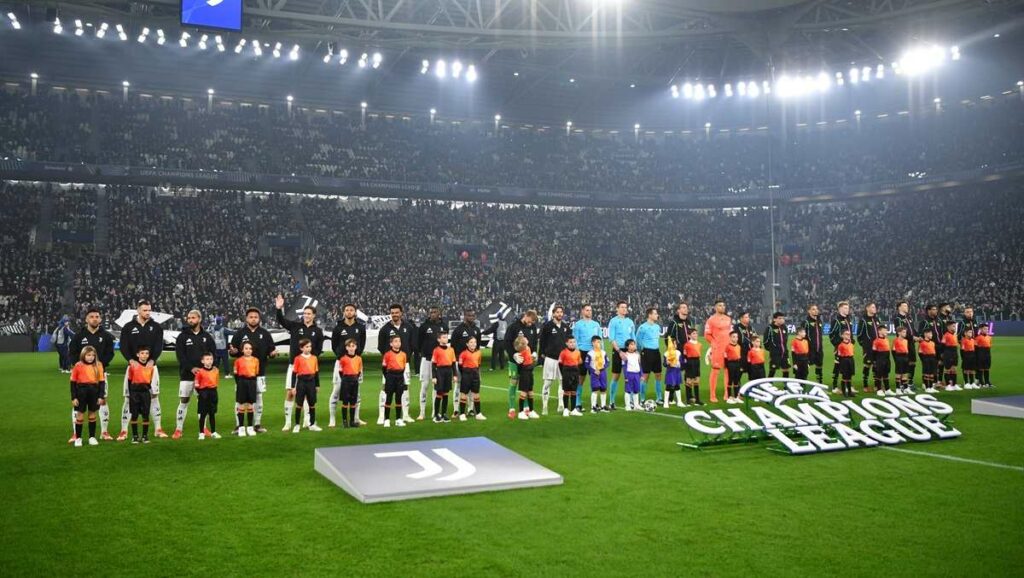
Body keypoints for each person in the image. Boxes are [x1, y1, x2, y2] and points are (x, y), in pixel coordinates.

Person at [275, 294, 326, 431]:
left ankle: (308, 421)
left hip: (309, 368)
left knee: (308, 396)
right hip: (294, 366)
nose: (306, 315)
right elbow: (281, 321)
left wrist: (308, 358)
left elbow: (319, 349)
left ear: (314, 315)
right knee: (291, 393)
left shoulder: (318, 331)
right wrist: (279, 309)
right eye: (304, 313)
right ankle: (288, 422)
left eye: (309, 313)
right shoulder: (295, 326)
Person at [117, 299, 165, 441]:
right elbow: (123, 345)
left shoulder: (156, 327)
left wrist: (152, 360)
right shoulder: (128, 327)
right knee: (128, 398)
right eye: (145, 310)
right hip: (133, 368)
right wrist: (131, 360)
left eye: (149, 310)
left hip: (151, 368)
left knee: (154, 396)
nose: (148, 313)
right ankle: (124, 430)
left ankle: (158, 428)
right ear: (138, 310)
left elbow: (158, 346)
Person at [68, 307, 117, 444]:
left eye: (97, 316)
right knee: (78, 403)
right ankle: (75, 434)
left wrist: (100, 365)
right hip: (82, 378)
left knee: (102, 400)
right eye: (92, 316)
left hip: (99, 375)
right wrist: (79, 366)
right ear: (86, 319)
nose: (94, 319)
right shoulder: (79, 336)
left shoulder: (106, 336)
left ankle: (104, 432)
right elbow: (72, 352)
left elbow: (110, 353)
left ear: (100, 319)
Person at [229, 307, 277, 433]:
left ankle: (257, 424)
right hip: (242, 374)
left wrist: (273, 353)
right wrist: (232, 352)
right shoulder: (239, 333)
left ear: (259, 318)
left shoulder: (265, 333)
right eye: (251, 317)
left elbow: (271, 350)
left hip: (259, 372)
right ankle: (239, 425)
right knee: (240, 399)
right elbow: (233, 351)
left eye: (256, 317)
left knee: (258, 397)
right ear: (246, 319)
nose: (253, 319)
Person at [173, 310, 216, 440]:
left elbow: (213, 354)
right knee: (184, 400)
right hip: (187, 375)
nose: (190, 320)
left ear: (199, 319)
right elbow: (180, 356)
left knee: (203, 402)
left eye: (193, 318)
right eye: (189, 318)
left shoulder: (207, 336)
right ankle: (178, 429)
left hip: (203, 377)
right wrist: (191, 368)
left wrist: (209, 370)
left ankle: (204, 428)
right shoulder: (182, 337)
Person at [330, 304, 366, 427]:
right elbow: (334, 346)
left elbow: (362, 344)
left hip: (355, 363)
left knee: (357, 392)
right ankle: (332, 420)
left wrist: (355, 358)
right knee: (336, 390)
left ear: (355, 312)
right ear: (343, 312)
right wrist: (341, 357)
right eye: (347, 310)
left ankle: (356, 418)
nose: (349, 312)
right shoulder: (338, 327)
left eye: (351, 310)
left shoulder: (360, 327)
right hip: (341, 363)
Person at [377, 304, 415, 424]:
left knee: (405, 387)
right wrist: (391, 358)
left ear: (401, 313)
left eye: (396, 312)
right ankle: (382, 415)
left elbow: (412, 344)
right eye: (392, 313)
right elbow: (381, 347)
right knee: (385, 388)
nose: (394, 315)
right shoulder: (385, 329)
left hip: (405, 363)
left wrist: (405, 356)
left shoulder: (408, 327)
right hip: (390, 366)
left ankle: (405, 414)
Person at [505, 310, 539, 418]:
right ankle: (511, 408)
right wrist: (514, 354)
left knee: (527, 384)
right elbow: (506, 343)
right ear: (526, 315)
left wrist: (534, 352)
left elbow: (534, 342)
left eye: (533, 322)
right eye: (530, 321)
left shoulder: (533, 327)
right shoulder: (513, 327)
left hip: (527, 362)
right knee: (514, 383)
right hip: (515, 361)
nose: (531, 324)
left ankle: (526, 408)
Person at [70, 345, 107, 447]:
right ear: (83, 355)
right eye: (88, 355)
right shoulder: (78, 365)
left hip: (94, 391)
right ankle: (78, 438)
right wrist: (74, 397)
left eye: (93, 355)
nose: (91, 357)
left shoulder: (99, 365)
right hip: (81, 392)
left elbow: (102, 382)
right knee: (80, 414)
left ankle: (92, 437)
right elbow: (72, 382)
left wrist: (101, 396)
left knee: (92, 413)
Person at [539, 305, 571, 415]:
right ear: (553, 314)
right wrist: (541, 358)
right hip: (550, 359)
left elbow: (569, 343)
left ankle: (561, 404)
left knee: (562, 382)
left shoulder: (566, 327)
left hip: (563, 360)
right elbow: (542, 342)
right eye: (557, 312)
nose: (560, 314)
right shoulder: (547, 326)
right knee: (548, 383)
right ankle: (544, 406)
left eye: (561, 312)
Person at [571, 304, 602, 411]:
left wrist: (601, 353)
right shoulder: (578, 325)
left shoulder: (596, 324)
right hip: (583, 353)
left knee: (595, 378)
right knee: (581, 378)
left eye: (590, 310)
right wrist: (578, 353)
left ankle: (595, 403)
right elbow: (575, 341)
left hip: (595, 353)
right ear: (582, 311)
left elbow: (600, 339)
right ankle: (577, 403)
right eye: (587, 310)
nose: (589, 312)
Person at [417, 306, 445, 421]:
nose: (432, 314)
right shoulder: (424, 326)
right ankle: (422, 412)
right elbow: (418, 342)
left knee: (436, 387)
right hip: (427, 360)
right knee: (424, 385)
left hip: (439, 362)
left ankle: (435, 412)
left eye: (435, 312)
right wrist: (423, 352)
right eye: (431, 312)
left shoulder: (444, 326)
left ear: (439, 313)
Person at [607, 301, 636, 411]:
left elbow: (633, 338)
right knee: (616, 375)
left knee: (630, 376)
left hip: (629, 351)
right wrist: (619, 351)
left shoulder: (630, 322)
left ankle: (632, 401)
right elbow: (612, 339)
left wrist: (634, 350)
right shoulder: (613, 321)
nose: (624, 309)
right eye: (622, 307)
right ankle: (612, 402)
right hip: (618, 350)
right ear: (617, 309)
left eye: (625, 307)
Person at [290, 338, 322, 432]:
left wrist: (317, 385)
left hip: (311, 382)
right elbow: (294, 374)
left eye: (310, 346)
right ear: (301, 348)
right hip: (301, 382)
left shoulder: (314, 358)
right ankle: (296, 425)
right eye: (306, 347)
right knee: (299, 404)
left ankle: (312, 424)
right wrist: (293, 387)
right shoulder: (298, 358)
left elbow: (316, 373)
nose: (309, 348)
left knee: (312, 404)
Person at [704, 299, 732, 404]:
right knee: (715, 371)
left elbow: (730, 333)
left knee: (727, 370)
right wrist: (713, 343)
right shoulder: (711, 320)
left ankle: (726, 393)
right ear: (715, 307)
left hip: (728, 349)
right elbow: (707, 335)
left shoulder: (728, 319)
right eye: (720, 306)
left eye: (724, 305)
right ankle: (712, 395)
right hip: (717, 349)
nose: (723, 307)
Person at [127, 345, 156, 444]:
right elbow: (129, 380)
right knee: (134, 415)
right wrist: (130, 393)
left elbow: (150, 380)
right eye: (142, 353)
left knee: (145, 415)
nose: (144, 355)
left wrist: (150, 391)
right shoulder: (133, 366)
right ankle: (135, 436)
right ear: (137, 354)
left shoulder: (150, 367)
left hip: (145, 393)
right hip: (135, 393)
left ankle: (145, 436)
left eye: (146, 353)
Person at [636, 307, 663, 403]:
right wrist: (641, 351)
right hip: (646, 352)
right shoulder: (642, 327)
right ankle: (642, 398)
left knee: (658, 374)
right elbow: (638, 341)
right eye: (655, 314)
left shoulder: (657, 327)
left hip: (656, 352)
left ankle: (659, 397)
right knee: (645, 375)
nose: (657, 315)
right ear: (650, 315)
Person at [381, 335, 409, 428]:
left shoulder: (404, 354)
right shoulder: (387, 354)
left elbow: (404, 367)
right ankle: (387, 420)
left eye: (399, 341)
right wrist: (388, 377)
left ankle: (398, 419)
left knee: (398, 399)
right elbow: (384, 368)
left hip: (400, 377)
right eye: (396, 341)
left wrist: (400, 376)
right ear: (391, 343)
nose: (398, 343)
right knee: (388, 398)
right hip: (390, 377)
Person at [233, 341, 260, 437]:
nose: (248, 350)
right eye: (246, 348)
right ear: (242, 350)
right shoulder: (238, 361)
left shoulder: (256, 360)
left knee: (250, 405)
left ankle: (249, 427)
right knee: (241, 405)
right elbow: (235, 374)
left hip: (252, 382)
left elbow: (256, 373)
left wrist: (251, 382)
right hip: (241, 382)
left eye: (250, 348)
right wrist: (240, 383)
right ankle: (241, 428)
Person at [336, 339, 363, 428]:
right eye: (349, 346)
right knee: (345, 402)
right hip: (346, 382)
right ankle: (344, 421)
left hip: (355, 381)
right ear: (346, 348)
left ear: (356, 347)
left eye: (353, 346)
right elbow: (340, 371)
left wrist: (355, 378)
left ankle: (352, 421)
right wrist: (345, 379)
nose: (351, 348)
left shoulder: (359, 359)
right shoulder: (343, 359)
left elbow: (359, 371)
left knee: (353, 402)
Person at [457, 336, 485, 421]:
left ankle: (478, 414)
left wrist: (478, 375)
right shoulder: (463, 354)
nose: (473, 344)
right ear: (467, 344)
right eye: (471, 342)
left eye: (475, 342)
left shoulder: (479, 353)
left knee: (476, 394)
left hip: (475, 374)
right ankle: (462, 414)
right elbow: (460, 366)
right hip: (466, 375)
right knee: (464, 394)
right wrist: (465, 374)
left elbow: (479, 365)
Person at [828, 301, 854, 393]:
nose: (848, 310)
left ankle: (848, 385)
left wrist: (852, 342)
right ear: (840, 309)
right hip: (840, 348)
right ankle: (834, 386)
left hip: (849, 347)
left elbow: (850, 333)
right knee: (837, 366)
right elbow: (831, 334)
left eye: (848, 308)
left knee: (849, 367)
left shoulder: (848, 319)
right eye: (846, 308)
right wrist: (838, 345)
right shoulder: (836, 320)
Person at [195, 352, 221, 440]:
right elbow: (197, 385)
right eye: (207, 359)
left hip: (213, 393)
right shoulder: (199, 372)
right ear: (202, 361)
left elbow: (216, 382)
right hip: (203, 393)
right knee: (203, 414)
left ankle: (213, 432)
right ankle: (201, 433)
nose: (209, 361)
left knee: (212, 414)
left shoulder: (216, 370)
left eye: (211, 359)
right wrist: (202, 393)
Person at [857, 303, 883, 393]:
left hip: (878, 348)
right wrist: (865, 345)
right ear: (867, 308)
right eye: (873, 307)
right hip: (868, 348)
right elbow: (859, 335)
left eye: (875, 307)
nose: (875, 308)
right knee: (867, 365)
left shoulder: (877, 319)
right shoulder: (863, 320)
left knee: (876, 366)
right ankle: (865, 385)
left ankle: (877, 385)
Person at [430, 331, 456, 423]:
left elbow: (453, 363)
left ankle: (444, 413)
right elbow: (433, 364)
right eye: (444, 337)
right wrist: (434, 377)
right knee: (439, 393)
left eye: (446, 337)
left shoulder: (451, 350)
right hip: (440, 371)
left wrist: (455, 375)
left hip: (448, 372)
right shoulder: (436, 350)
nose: (446, 338)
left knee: (446, 393)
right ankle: (436, 414)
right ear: (439, 339)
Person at [513, 335, 540, 420]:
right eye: (525, 339)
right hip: (525, 373)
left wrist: (533, 358)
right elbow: (520, 363)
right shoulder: (522, 351)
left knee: (531, 392)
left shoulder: (528, 348)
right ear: (523, 343)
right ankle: (521, 412)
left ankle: (531, 411)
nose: (526, 338)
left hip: (530, 372)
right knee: (524, 392)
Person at [893, 301, 917, 389]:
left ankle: (910, 382)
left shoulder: (909, 317)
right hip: (903, 344)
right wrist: (913, 337)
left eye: (907, 305)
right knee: (905, 364)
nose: (907, 307)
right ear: (899, 307)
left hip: (911, 343)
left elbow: (913, 329)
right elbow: (901, 332)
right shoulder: (898, 319)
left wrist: (918, 336)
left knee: (912, 362)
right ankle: (903, 384)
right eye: (904, 306)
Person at [558, 336, 583, 417]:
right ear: (567, 343)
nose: (572, 344)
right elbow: (560, 364)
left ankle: (573, 410)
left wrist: (576, 372)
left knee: (574, 391)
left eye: (574, 342)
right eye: (570, 342)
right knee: (566, 391)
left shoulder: (578, 352)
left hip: (575, 371)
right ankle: (565, 409)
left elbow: (579, 362)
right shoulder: (563, 352)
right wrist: (564, 373)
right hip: (566, 371)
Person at [801, 304, 825, 384]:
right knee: (806, 367)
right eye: (813, 309)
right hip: (809, 349)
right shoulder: (806, 322)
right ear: (809, 311)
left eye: (816, 309)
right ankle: (803, 384)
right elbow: (802, 336)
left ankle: (819, 383)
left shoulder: (819, 321)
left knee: (819, 365)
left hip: (819, 348)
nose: (816, 310)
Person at [918, 305, 945, 377]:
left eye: (936, 309)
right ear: (928, 311)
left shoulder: (939, 321)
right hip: (930, 346)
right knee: (930, 364)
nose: (936, 311)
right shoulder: (924, 322)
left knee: (941, 363)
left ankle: (938, 381)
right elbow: (920, 335)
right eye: (933, 309)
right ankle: (927, 383)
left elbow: (942, 333)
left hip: (940, 346)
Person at [763, 311, 790, 379]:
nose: (782, 320)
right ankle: (768, 385)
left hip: (784, 353)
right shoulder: (770, 328)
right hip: (775, 354)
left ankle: (786, 385)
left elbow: (785, 339)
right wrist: (772, 349)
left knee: (786, 369)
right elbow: (765, 341)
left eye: (782, 318)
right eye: (780, 318)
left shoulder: (784, 327)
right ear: (774, 319)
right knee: (773, 369)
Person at [586, 336, 609, 412]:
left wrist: (603, 367)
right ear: (593, 343)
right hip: (594, 373)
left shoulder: (603, 352)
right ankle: (593, 407)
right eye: (598, 342)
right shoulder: (590, 353)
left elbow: (608, 362)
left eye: (600, 342)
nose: (599, 343)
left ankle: (603, 406)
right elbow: (586, 364)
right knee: (595, 389)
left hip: (602, 372)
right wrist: (593, 370)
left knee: (603, 389)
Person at [732, 311, 756, 383]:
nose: (748, 318)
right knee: (739, 373)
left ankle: (751, 390)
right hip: (741, 354)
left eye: (748, 317)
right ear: (741, 319)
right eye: (746, 317)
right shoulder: (736, 327)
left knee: (752, 373)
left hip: (751, 354)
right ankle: (738, 391)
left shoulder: (751, 327)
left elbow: (755, 337)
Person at [620, 339, 642, 411]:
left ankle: (636, 405)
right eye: (631, 344)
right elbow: (624, 366)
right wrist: (626, 376)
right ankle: (627, 405)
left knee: (636, 390)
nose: (634, 346)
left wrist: (641, 374)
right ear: (627, 347)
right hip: (629, 374)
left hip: (636, 374)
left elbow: (639, 365)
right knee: (628, 390)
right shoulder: (625, 355)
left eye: (634, 344)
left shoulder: (637, 355)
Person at [683, 329, 703, 405]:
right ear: (689, 335)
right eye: (693, 333)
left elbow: (699, 353)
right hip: (689, 362)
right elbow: (685, 355)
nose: (695, 335)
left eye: (696, 333)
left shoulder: (699, 344)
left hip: (697, 362)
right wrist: (686, 364)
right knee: (689, 381)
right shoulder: (687, 345)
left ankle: (697, 400)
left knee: (697, 381)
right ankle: (688, 400)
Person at [663, 337, 683, 408]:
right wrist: (667, 362)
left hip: (677, 372)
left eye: (675, 344)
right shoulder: (666, 354)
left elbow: (681, 361)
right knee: (668, 386)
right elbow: (664, 364)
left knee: (677, 386)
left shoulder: (678, 352)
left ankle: (679, 401)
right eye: (673, 344)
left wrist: (678, 363)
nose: (675, 345)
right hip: (670, 372)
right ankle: (666, 402)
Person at [872, 326, 893, 395]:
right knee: (879, 375)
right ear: (879, 331)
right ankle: (879, 390)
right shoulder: (876, 341)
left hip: (887, 359)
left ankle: (887, 389)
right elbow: (874, 352)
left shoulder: (886, 339)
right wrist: (874, 361)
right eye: (884, 330)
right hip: (880, 359)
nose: (886, 332)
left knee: (886, 374)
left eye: (886, 330)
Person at [724, 332, 743, 404]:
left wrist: (740, 365)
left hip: (737, 363)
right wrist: (726, 365)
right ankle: (729, 397)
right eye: (734, 337)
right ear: (730, 338)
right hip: (731, 364)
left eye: (736, 337)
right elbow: (725, 356)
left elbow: (739, 356)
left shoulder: (738, 346)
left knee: (736, 380)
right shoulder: (728, 346)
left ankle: (736, 397)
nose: (735, 338)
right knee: (730, 380)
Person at [837, 331, 856, 398]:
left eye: (849, 334)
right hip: (844, 361)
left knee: (850, 376)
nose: (848, 335)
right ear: (842, 336)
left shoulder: (851, 344)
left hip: (851, 360)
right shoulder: (840, 345)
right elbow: (839, 355)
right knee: (844, 376)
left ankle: (850, 392)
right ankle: (844, 392)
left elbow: (852, 352)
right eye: (846, 334)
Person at [941, 321, 960, 390]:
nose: (955, 328)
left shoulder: (955, 335)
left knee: (954, 369)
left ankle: (954, 384)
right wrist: (943, 354)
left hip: (954, 352)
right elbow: (942, 345)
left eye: (955, 326)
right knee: (948, 369)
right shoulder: (946, 335)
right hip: (948, 352)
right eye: (953, 326)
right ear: (948, 327)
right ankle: (948, 385)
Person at [893, 326, 912, 394]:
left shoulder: (906, 341)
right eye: (903, 332)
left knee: (905, 373)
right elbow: (893, 351)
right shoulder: (896, 340)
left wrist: (907, 358)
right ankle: (898, 389)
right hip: (899, 357)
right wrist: (896, 359)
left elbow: (906, 350)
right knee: (898, 373)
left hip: (905, 358)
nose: (905, 333)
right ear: (899, 333)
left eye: (905, 332)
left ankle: (905, 388)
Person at [919, 329, 939, 393]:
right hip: (926, 358)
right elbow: (920, 352)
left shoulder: (932, 343)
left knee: (932, 373)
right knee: (926, 373)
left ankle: (931, 387)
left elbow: (934, 351)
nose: (931, 335)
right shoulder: (922, 343)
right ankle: (927, 387)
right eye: (930, 334)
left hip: (932, 358)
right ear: (925, 334)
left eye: (931, 334)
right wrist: (924, 360)